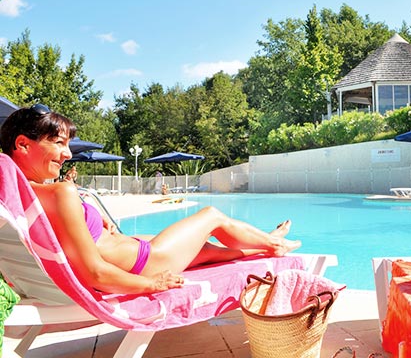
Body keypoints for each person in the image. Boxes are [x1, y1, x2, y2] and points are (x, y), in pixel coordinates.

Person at [0, 104, 302, 295]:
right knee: (211, 216)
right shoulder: (58, 192)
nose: (67, 154)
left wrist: (89, 216)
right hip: (144, 265)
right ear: (23, 145)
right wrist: (152, 285)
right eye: (59, 144)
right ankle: (274, 244)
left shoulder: (21, 197)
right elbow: (96, 273)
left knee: (210, 251)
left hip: (135, 253)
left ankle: (263, 243)